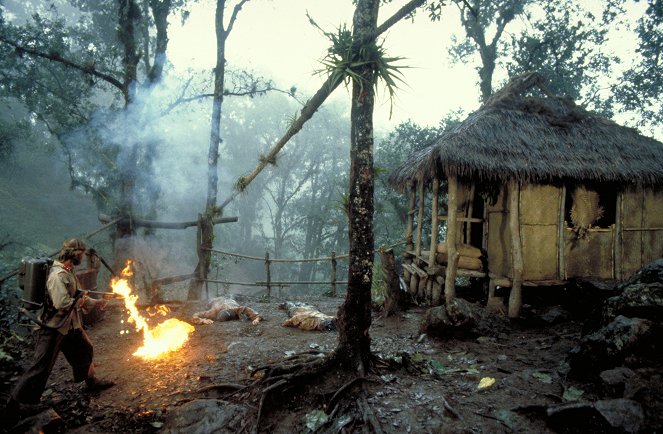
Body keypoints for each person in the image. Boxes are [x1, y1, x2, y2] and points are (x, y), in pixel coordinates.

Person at [3, 238, 114, 426]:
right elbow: (61, 303)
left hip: (69, 324)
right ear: (73, 253)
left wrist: (96, 302)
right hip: (52, 327)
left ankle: (91, 381)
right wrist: (78, 302)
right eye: (80, 253)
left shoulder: (69, 272)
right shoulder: (57, 275)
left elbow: (78, 294)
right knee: (40, 366)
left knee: (85, 348)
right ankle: (14, 405)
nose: (82, 256)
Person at [192, 296, 263, 325]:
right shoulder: (213, 312)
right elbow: (195, 315)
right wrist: (203, 320)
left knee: (231, 298)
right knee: (209, 303)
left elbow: (247, 309)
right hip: (217, 300)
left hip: (229, 300)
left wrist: (257, 318)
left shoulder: (234, 309)